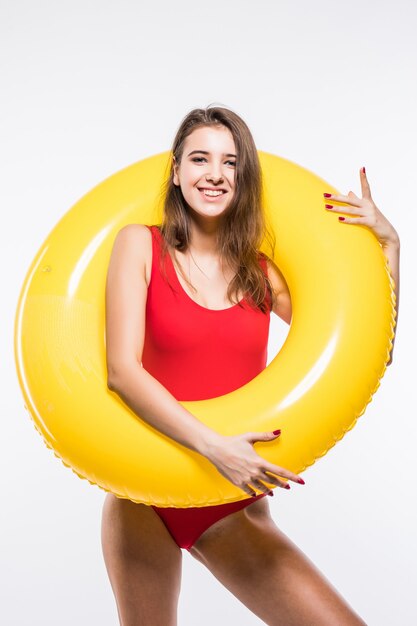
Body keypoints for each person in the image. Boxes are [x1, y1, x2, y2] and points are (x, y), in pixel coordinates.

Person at [101, 105, 400, 626]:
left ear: (244, 178)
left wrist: (391, 245)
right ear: (176, 172)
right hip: (144, 493)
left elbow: (373, 347)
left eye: (229, 163)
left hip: (231, 504)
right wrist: (216, 448)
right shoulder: (139, 245)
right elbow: (122, 371)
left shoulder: (261, 273)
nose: (214, 174)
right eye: (199, 159)